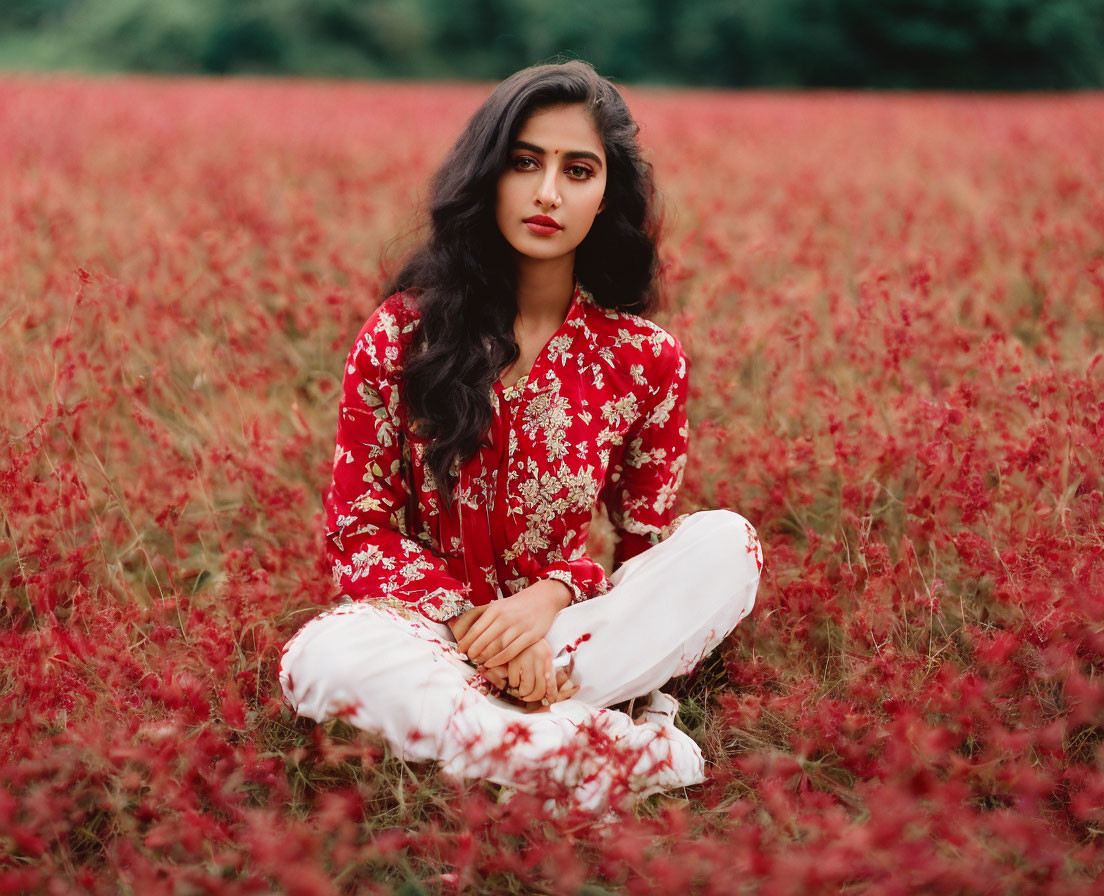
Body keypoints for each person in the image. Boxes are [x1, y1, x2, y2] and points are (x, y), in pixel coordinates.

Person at [278, 60, 764, 815]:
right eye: (525, 162)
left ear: (606, 197)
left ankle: (505, 738)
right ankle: (590, 747)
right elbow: (358, 528)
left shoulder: (643, 359)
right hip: (430, 637)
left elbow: (639, 545)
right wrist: (476, 627)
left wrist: (551, 598)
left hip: (575, 639)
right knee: (323, 658)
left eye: (578, 170)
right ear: (488, 176)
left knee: (727, 544)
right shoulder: (405, 333)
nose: (547, 193)